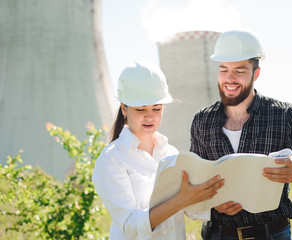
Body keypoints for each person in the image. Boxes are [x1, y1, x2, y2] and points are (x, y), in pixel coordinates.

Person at [190, 31, 292, 240]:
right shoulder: (202, 121)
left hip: (272, 234)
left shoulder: (284, 115)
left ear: (256, 73)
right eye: (223, 69)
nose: (229, 79)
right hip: (217, 234)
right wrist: (210, 202)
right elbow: (193, 183)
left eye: (239, 71)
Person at [92, 62, 224, 240]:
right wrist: (181, 200)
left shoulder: (170, 153)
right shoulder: (112, 159)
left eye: (156, 108)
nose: (150, 116)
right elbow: (130, 226)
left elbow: (187, 208)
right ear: (124, 108)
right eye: (141, 109)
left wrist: (215, 204)